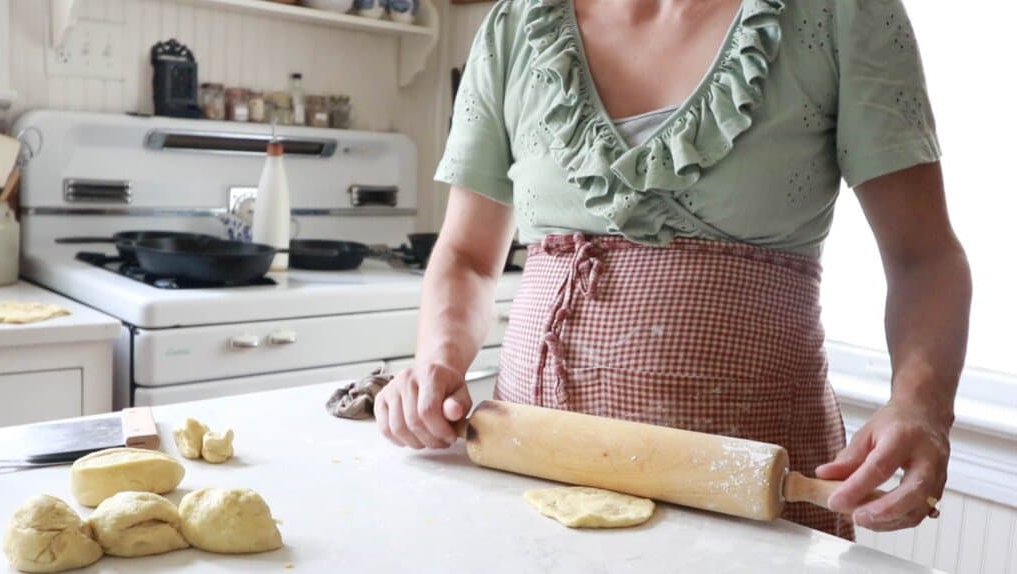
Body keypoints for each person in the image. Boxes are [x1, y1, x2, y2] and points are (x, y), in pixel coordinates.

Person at [375, 0, 971, 540]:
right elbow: (469, 258)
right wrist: (437, 362)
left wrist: (921, 407)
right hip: (532, 471)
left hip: (756, 490)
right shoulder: (514, 28)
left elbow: (924, 259)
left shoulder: (840, 15)